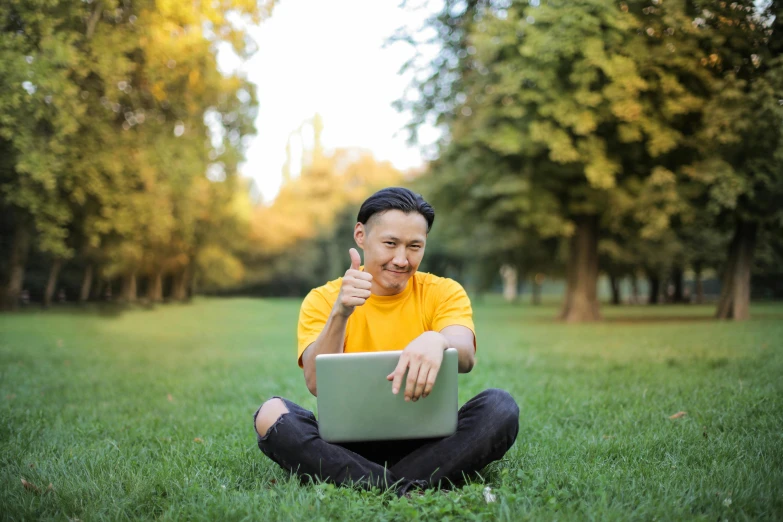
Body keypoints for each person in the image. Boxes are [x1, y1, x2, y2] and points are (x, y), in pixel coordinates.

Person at [253, 187, 519, 496]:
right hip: (347, 444)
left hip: (427, 442)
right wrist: (341, 312)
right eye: (390, 243)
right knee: (270, 414)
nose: (402, 259)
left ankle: (369, 483)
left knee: (500, 407)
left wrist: (436, 339)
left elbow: (465, 353)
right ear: (361, 235)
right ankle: (406, 484)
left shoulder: (442, 291)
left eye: (414, 246)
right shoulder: (323, 299)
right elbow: (316, 383)